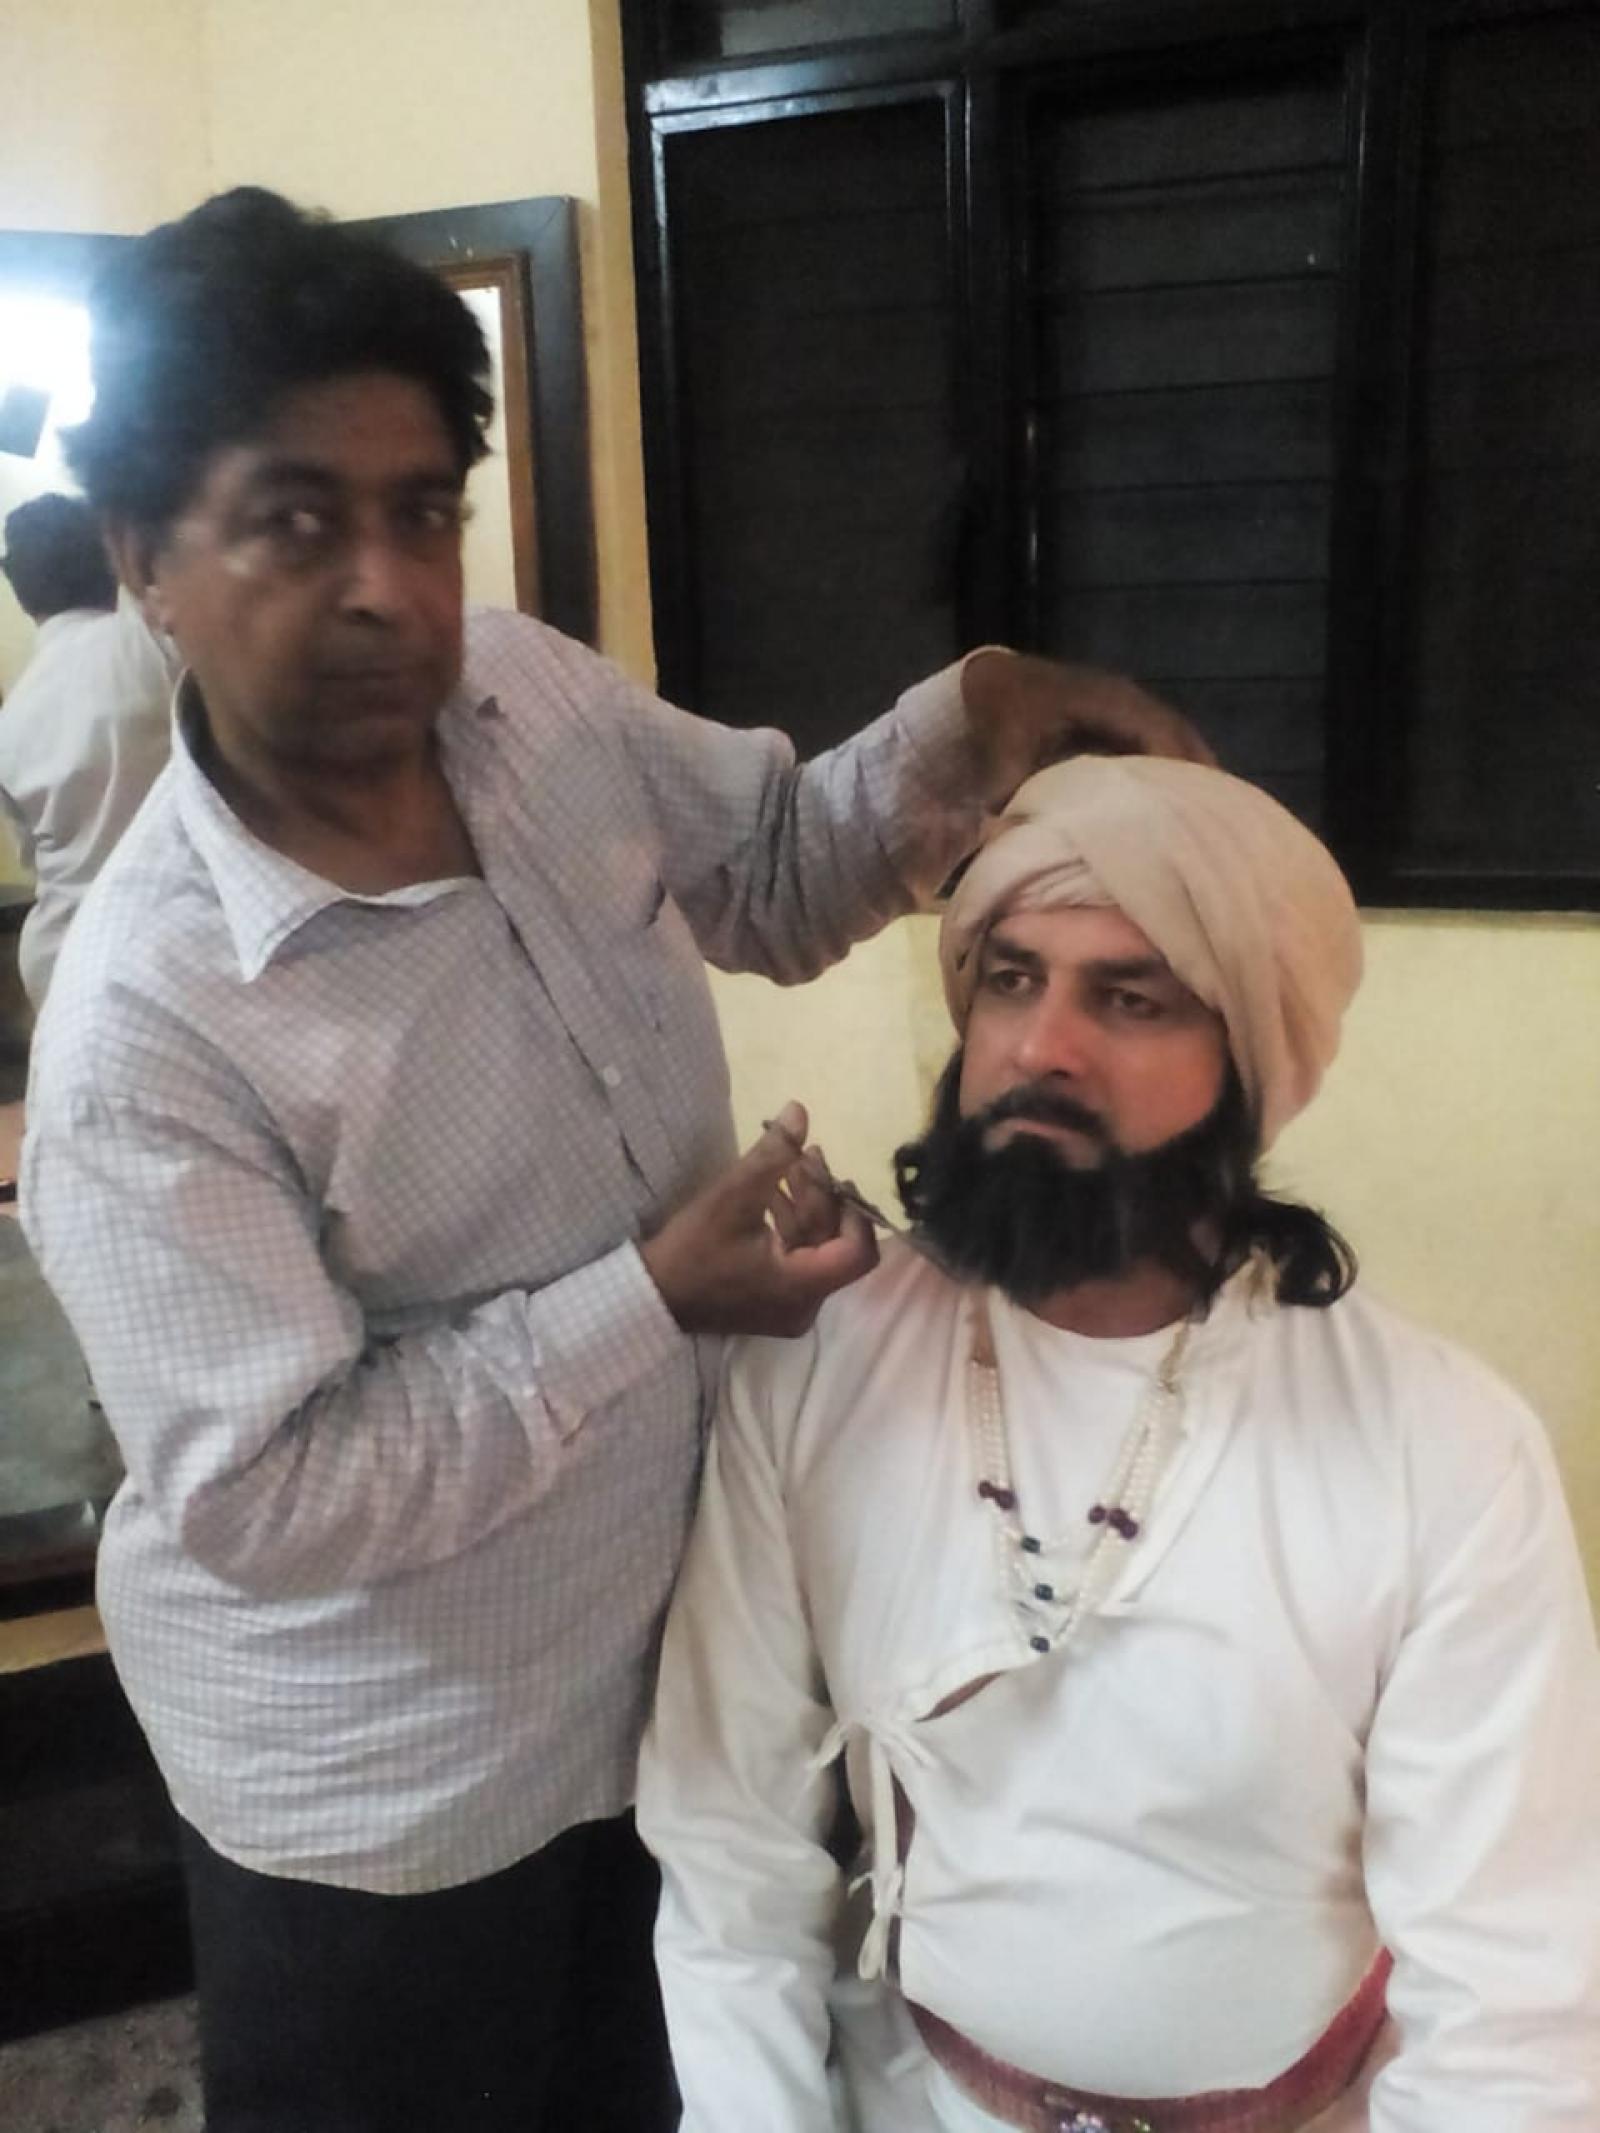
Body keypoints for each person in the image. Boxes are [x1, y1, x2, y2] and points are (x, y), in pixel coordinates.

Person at [18, 186, 1204, 2133]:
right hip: (395, 1790)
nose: (387, 588)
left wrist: (963, 720)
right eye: (297, 522)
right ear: (146, 554)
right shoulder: (149, 1035)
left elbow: (773, 867)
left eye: (422, 511)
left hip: (663, 1681)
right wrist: (657, 1296)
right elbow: (273, 1493)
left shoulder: (527, 701)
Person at [638, 752, 1600, 2132]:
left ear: (1248, 1069)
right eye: (1011, 980)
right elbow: (729, 1854)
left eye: (1130, 998)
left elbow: (1512, 2002)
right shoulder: (826, 1356)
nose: (1042, 1048)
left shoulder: (1440, 1447)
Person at [0, 492, 176, 1008]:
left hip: (59, 962)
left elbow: (36, 858)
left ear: (16, 584)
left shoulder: (11, 721)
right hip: (166, 957)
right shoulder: (154, 644)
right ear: (116, 559)